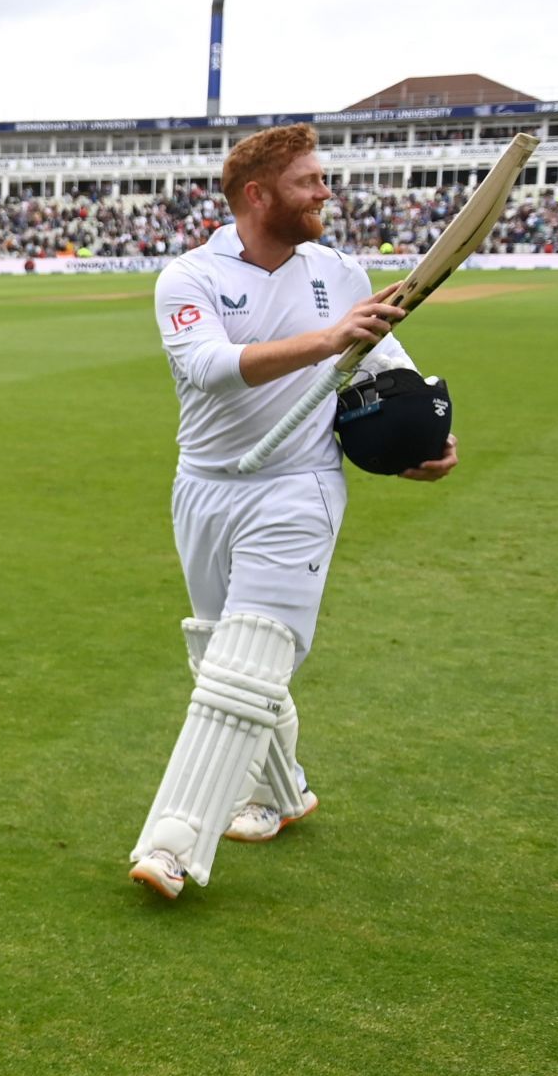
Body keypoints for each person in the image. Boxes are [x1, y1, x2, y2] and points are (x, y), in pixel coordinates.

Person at [128, 123, 459, 900]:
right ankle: (281, 792)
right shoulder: (187, 277)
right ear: (257, 193)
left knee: (248, 662)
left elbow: (386, 357)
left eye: (321, 178)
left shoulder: (338, 270)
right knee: (224, 656)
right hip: (205, 486)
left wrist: (434, 436)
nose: (325, 192)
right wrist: (327, 339)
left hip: (299, 483)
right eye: (309, 180)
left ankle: (172, 842)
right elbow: (209, 369)